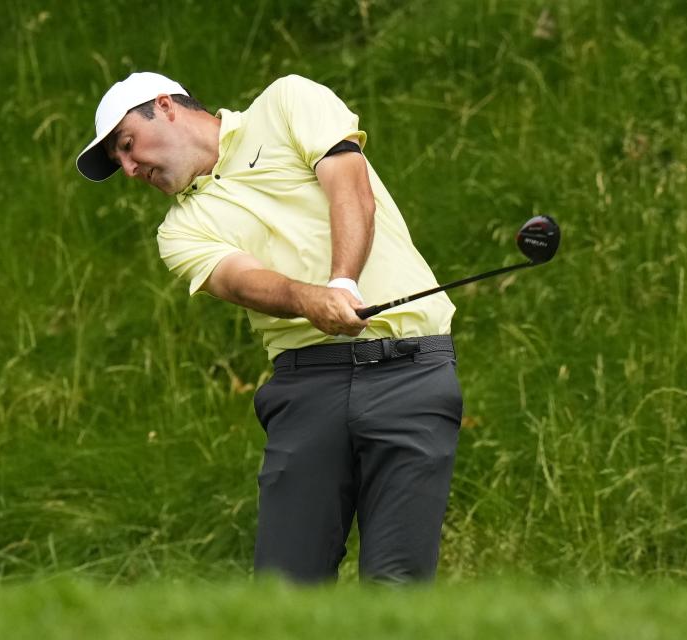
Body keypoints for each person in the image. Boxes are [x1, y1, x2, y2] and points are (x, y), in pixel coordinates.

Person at [75, 71, 463, 584]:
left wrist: (342, 281)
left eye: (127, 145)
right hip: (307, 389)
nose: (128, 168)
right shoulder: (179, 230)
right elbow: (243, 281)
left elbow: (351, 187)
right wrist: (312, 299)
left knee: (398, 586)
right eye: (118, 162)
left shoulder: (285, 103)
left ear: (166, 106)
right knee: (285, 591)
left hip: (411, 372)